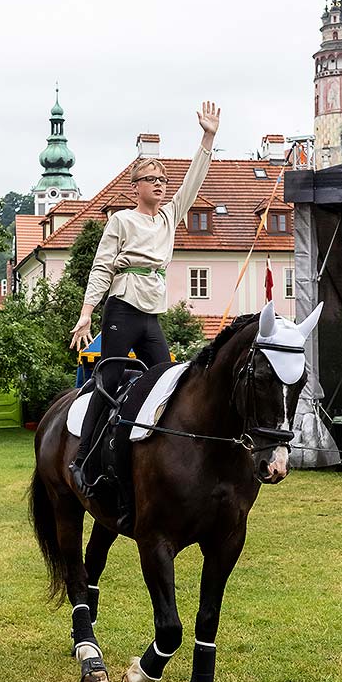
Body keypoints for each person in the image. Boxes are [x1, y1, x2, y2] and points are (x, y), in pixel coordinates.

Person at [69, 101, 221, 531]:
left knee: (167, 381)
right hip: (121, 306)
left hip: (152, 312)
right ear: (136, 186)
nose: (159, 184)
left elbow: (194, 180)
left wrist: (207, 138)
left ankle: (156, 459)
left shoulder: (170, 217)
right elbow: (101, 266)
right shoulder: (121, 220)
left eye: (162, 179)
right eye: (151, 179)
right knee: (110, 378)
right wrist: (86, 315)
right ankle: (82, 460)